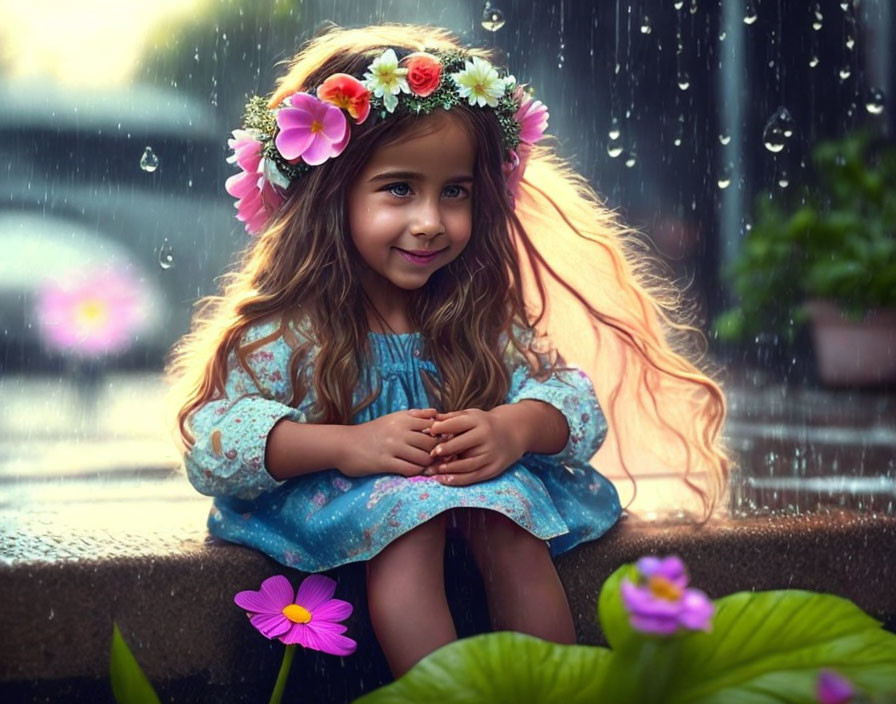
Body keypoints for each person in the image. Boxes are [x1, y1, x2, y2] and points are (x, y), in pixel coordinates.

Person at [166, 24, 730, 678]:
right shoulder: (293, 333)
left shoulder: (475, 318)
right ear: (331, 194)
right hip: (346, 498)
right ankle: (447, 695)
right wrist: (347, 445)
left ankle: (557, 691)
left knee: (511, 522)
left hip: (471, 496)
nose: (431, 221)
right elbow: (213, 446)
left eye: (454, 192)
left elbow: (571, 399)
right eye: (399, 188)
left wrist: (514, 428)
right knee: (411, 520)